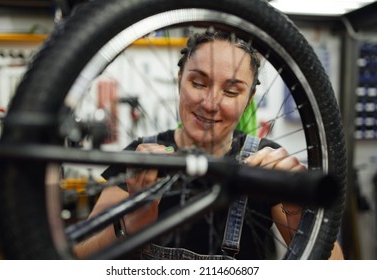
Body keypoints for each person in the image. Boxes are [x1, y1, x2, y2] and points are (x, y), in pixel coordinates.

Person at [74, 30, 343, 260]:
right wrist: (129, 222)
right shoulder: (139, 154)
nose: (211, 104)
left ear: (248, 99)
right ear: (180, 80)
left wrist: (295, 204)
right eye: (199, 83)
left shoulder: (268, 162)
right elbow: (78, 255)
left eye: (231, 91)